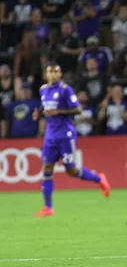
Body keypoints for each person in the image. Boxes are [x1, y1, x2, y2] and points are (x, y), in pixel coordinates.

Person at [33, 64, 111, 217]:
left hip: (65, 134)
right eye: (50, 72)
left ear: (60, 74)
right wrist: (39, 112)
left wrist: (59, 112)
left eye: (56, 71)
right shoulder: (43, 89)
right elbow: (45, 105)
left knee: (72, 170)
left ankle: (98, 178)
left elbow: (77, 109)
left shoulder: (65, 89)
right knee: (47, 169)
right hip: (50, 135)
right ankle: (48, 207)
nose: (53, 74)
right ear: (45, 75)